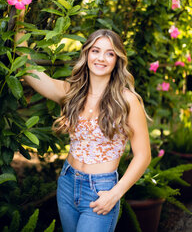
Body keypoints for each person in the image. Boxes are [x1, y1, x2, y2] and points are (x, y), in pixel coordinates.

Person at [16, 29, 151, 232]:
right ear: (87, 54)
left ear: (117, 60)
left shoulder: (127, 101)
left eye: (110, 53)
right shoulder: (71, 92)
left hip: (101, 190)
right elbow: (28, 71)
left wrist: (115, 194)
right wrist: (18, 19)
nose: (101, 58)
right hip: (68, 182)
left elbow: (143, 155)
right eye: (96, 50)